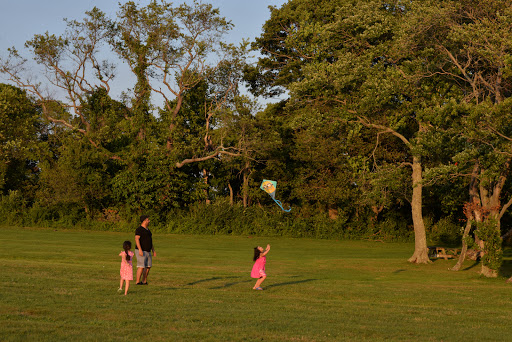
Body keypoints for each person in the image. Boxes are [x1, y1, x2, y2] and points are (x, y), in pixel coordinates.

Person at [135, 215, 156, 285]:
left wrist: (153, 250)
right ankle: (137, 282)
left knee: (148, 266)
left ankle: (144, 281)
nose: (149, 221)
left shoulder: (148, 230)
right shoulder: (139, 229)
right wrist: (140, 250)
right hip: (141, 250)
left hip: (148, 251)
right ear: (144, 221)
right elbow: (137, 239)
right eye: (147, 220)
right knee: (141, 266)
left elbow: (150, 241)